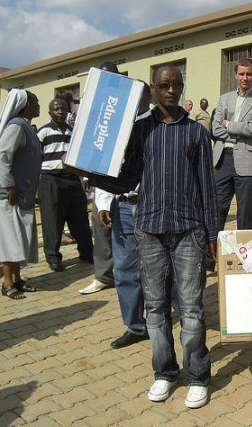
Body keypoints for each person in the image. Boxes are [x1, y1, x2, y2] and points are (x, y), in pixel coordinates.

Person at [89, 63, 218, 409]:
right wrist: (92, 176)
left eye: (177, 84)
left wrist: (212, 234)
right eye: (164, 85)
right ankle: (164, 372)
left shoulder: (196, 133)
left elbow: (207, 186)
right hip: (148, 229)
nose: (172, 90)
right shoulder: (140, 131)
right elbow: (127, 178)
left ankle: (197, 376)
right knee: (157, 308)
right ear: (153, 90)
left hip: (188, 230)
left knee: (191, 308)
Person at [94, 82, 152, 349]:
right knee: (126, 269)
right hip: (125, 207)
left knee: (158, 268)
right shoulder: (117, 127)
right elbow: (106, 167)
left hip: (153, 206)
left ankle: (160, 320)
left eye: (141, 95)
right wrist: (104, 202)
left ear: (148, 97)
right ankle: (136, 326)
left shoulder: (158, 123)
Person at [0, 89, 41, 299]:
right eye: (35, 103)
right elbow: (1, 156)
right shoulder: (17, 126)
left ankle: (17, 279)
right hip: (10, 195)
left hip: (21, 194)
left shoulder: (25, 126)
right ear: (27, 105)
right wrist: (9, 185)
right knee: (8, 238)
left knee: (19, 238)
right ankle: (7, 283)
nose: (38, 106)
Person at [212, 58, 252, 231]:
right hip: (222, 160)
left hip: (248, 161)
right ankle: (213, 254)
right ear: (235, 75)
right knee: (216, 209)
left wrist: (229, 125)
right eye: (241, 74)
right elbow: (215, 129)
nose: (245, 78)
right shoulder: (224, 99)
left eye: (249, 74)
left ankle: (244, 254)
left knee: (245, 213)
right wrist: (239, 132)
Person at [37, 98, 93, 272]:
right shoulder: (43, 132)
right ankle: (53, 258)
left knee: (80, 219)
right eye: (56, 109)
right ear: (50, 113)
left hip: (72, 179)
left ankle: (86, 253)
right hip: (51, 179)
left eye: (63, 109)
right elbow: (35, 157)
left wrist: (84, 179)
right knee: (53, 221)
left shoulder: (73, 132)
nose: (60, 112)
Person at [79, 61, 119, 294]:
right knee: (101, 229)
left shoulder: (124, 106)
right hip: (100, 180)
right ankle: (103, 276)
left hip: (125, 182)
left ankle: (130, 277)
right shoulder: (92, 107)